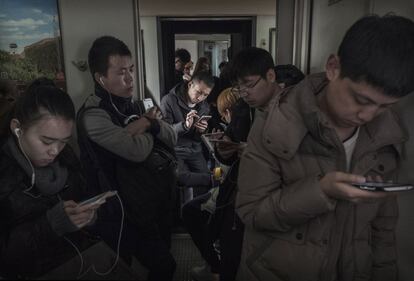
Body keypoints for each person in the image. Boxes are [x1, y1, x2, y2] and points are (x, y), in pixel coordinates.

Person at [236, 14, 414, 281]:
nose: (368, 115)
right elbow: (252, 213)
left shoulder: (386, 137)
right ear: (333, 67)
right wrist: (319, 191)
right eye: (360, 99)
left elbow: (382, 230)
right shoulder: (275, 123)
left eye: (384, 106)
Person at [77, 36, 177, 281]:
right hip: (115, 212)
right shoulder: (93, 115)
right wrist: (149, 122)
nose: (131, 78)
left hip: (146, 203)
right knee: (124, 269)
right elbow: (137, 151)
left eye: (131, 70)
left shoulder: (133, 105)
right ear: (101, 78)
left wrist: (146, 124)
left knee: (162, 263)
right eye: (121, 72)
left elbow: (172, 137)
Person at [0, 78, 101, 279]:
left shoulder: (68, 158)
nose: (55, 151)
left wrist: (86, 217)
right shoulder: (4, 174)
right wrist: (50, 225)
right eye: (46, 141)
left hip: (78, 262)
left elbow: (81, 198)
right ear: (17, 128)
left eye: (63, 141)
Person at [161, 71, 215, 196]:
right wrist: (184, 126)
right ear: (190, 84)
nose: (200, 98)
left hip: (194, 149)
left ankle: (200, 210)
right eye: (199, 92)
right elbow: (165, 131)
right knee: (178, 177)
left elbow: (197, 138)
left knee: (206, 181)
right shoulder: (168, 100)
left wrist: (202, 130)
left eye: (205, 95)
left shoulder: (204, 106)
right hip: (175, 149)